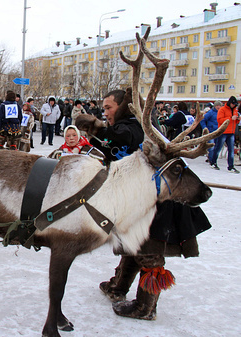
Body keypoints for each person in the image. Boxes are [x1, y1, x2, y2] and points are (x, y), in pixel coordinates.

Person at [77, 88, 212, 321]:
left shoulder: (133, 126)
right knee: (133, 243)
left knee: (149, 252)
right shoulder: (141, 124)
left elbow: (123, 137)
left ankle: (146, 307)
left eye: (109, 108)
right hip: (141, 196)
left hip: (158, 200)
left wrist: (95, 127)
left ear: (124, 107)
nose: (105, 112)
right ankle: (118, 287)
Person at [209, 96, 239, 173]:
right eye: (233, 104)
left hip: (231, 132)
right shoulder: (222, 109)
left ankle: (231, 166)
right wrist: (230, 118)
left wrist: (237, 119)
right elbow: (219, 120)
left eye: (235, 104)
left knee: (231, 150)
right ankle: (213, 162)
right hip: (223, 132)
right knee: (218, 148)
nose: (234, 105)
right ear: (230, 103)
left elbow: (235, 122)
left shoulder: (235, 110)